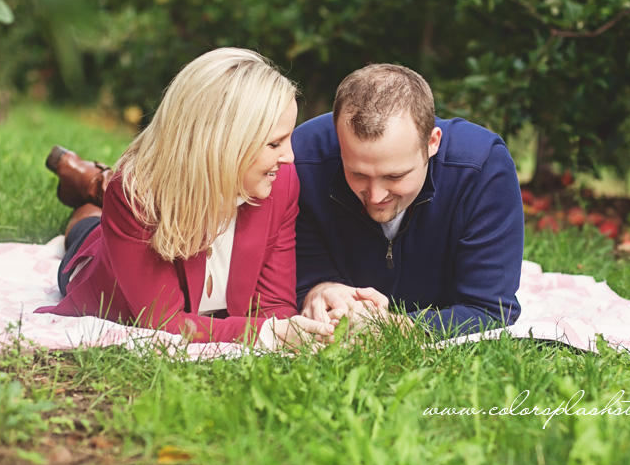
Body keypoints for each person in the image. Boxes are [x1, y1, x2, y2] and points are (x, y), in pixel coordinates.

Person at [53, 44, 299, 338]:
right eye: (275, 144)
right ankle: (90, 194)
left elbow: (274, 307)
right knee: (87, 223)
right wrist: (269, 334)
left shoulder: (281, 180)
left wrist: (291, 332)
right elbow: (166, 323)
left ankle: (94, 181)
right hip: (93, 259)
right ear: (220, 141)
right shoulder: (134, 197)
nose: (290, 157)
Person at [291, 62, 525, 341]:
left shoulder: (483, 166)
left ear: (432, 142)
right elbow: (292, 279)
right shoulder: (301, 158)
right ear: (339, 144)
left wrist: (391, 328)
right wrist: (318, 290)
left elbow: (491, 307)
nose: (376, 195)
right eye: (357, 173)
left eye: (395, 175)